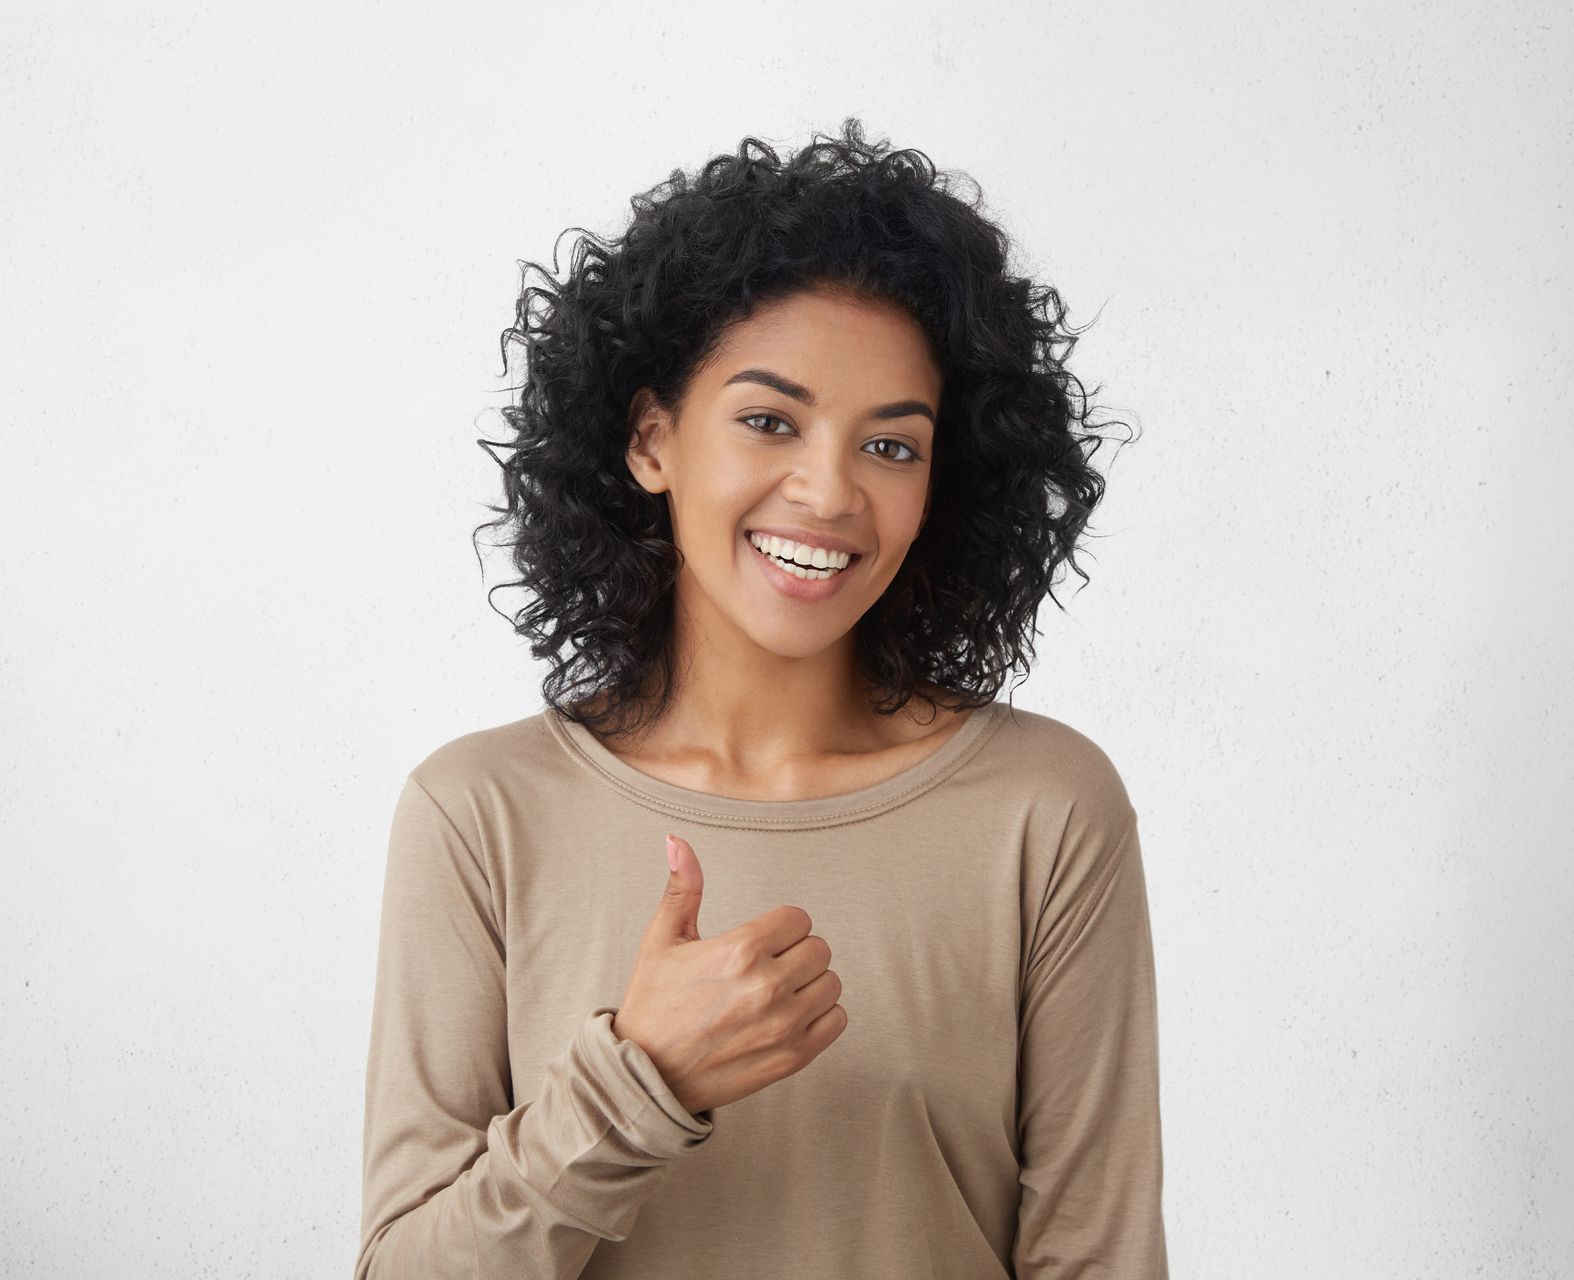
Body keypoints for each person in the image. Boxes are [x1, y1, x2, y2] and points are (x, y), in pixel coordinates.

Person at [355, 117, 1167, 1279]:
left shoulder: (1045, 809)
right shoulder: (479, 813)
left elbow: (1101, 1257)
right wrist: (640, 1076)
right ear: (650, 438)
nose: (829, 489)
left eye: (892, 446)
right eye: (769, 420)